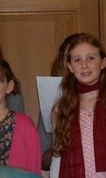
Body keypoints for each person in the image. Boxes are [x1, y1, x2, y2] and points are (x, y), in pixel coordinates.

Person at [50, 33, 106, 177]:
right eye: (77, 60)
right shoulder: (61, 109)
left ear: (103, 62)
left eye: (91, 58)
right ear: (70, 67)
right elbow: (57, 158)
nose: (84, 65)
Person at [37, 33, 86, 171]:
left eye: (87, 58)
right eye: (72, 59)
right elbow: (41, 159)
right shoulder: (53, 98)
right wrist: (62, 149)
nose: (81, 65)